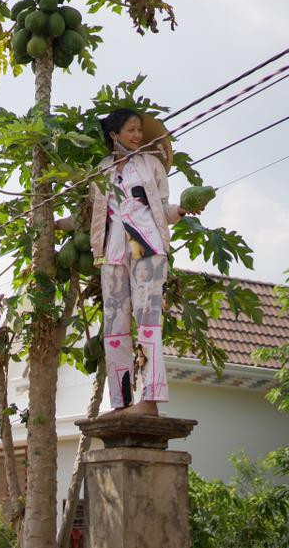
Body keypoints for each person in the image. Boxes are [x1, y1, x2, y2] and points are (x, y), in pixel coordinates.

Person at [57, 108, 187, 417]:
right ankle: (122, 401)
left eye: (139, 130)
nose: (137, 136)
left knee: (148, 322)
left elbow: (164, 209)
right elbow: (87, 218)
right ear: (114, 134)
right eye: (131, 130)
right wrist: (51, 223)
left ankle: (150, 400)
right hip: (112, 252)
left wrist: (182, 209)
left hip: (147, 247)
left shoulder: (151, 165)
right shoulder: (101, 170)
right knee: (114, 329)